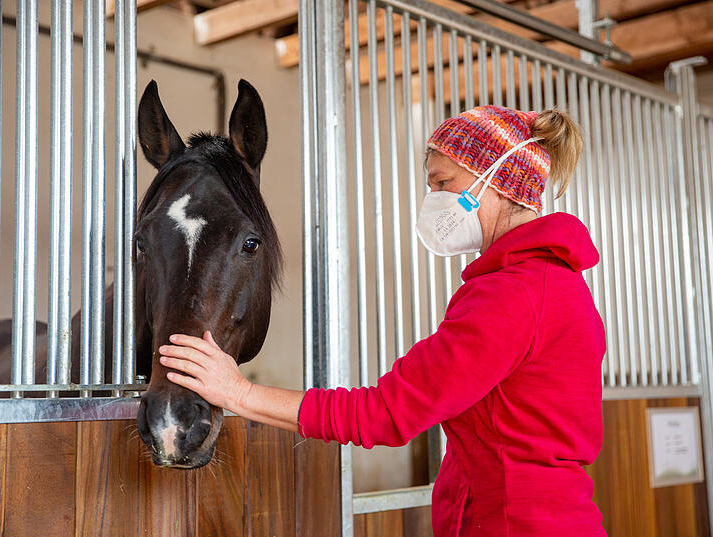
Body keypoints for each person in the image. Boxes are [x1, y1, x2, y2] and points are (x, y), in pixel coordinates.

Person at [158, 105, 607, 537]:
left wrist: (240, 392)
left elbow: (388, 414)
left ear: (497, 180)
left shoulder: (513, 294)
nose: (433, 198)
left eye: (443, 181)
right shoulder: (551, 283)